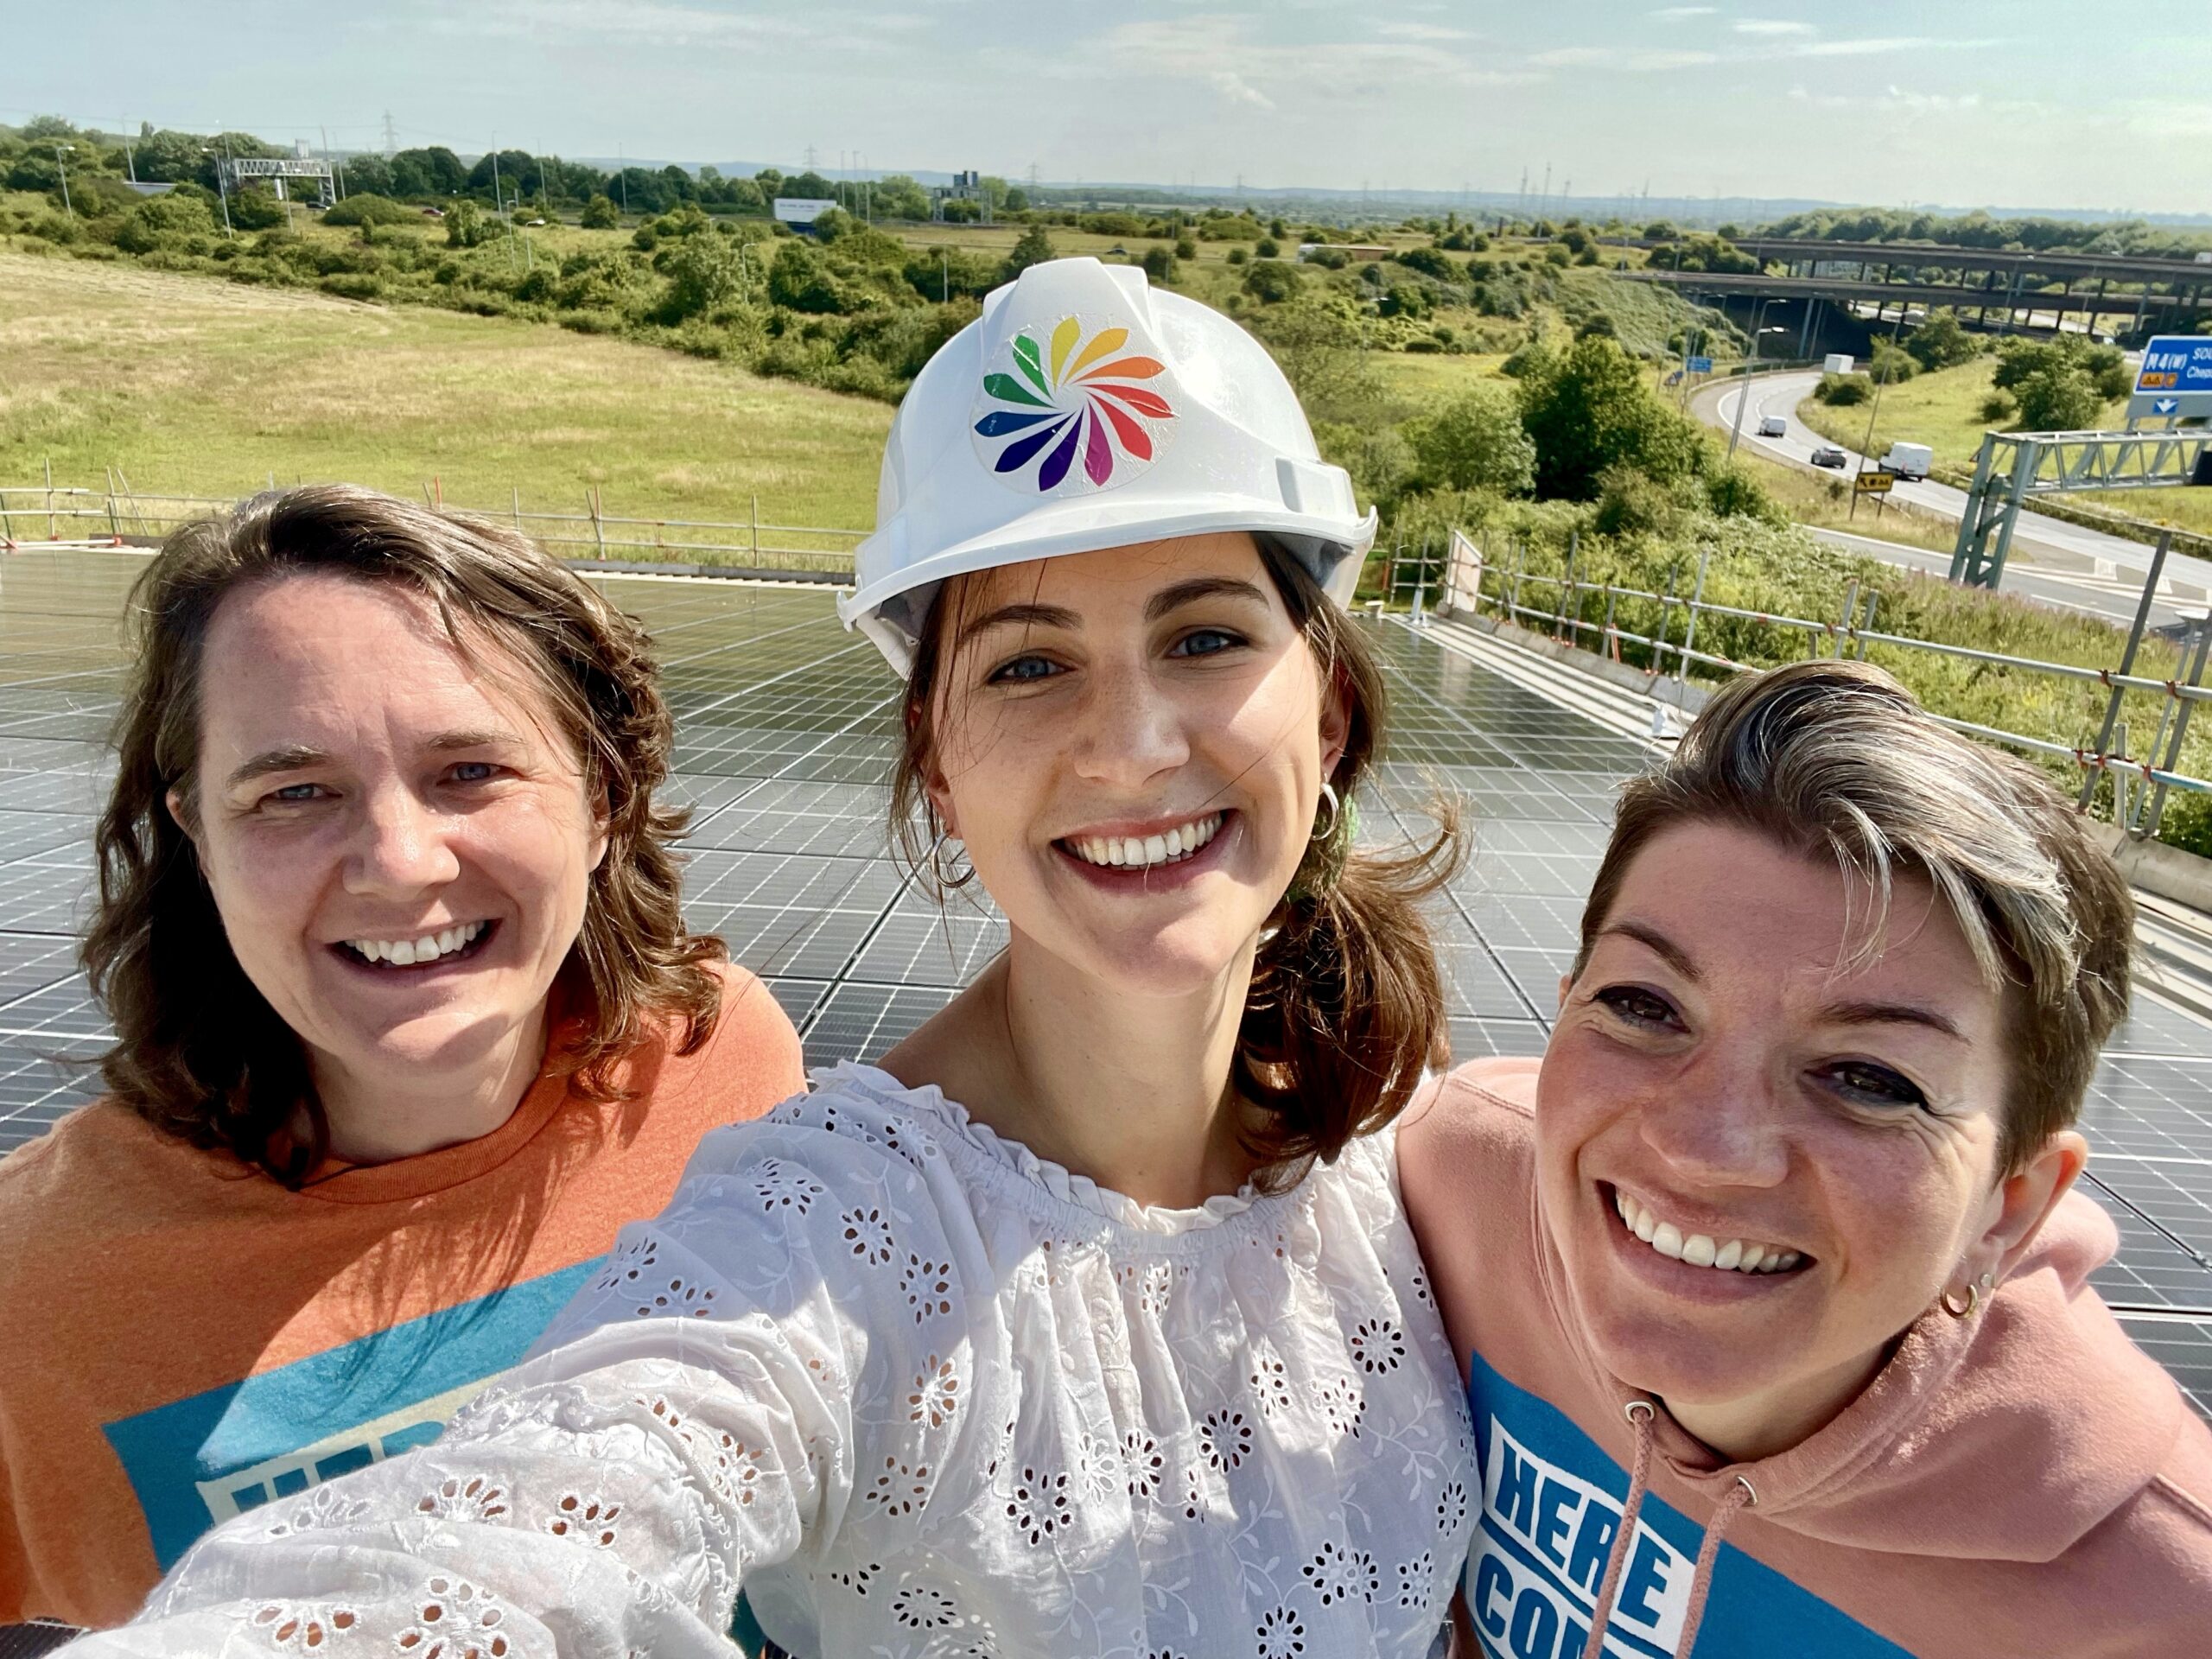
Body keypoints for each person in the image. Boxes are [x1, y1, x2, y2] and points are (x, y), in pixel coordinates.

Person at [60, 257, 1478, 1657]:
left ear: (1332, 705)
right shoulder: (823, 1235)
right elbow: (554, 1514)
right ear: (936, 761)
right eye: (1030, 664)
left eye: (1209, 635)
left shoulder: (1423, 1152)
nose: (1132, 744)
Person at [0, 486, 805, 1629]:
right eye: (294, 793)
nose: (396, 863)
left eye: (469, 771)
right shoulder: (34, 1282)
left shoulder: (721, 1064)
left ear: (604, 798)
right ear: (200, 839)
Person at [1400, 659, 2212, 1659]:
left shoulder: (2164, 1605)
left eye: (1867, 1078)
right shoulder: (1451, 1178)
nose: (1702, 1151)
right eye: (1642, 1006)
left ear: (2010, 1205)